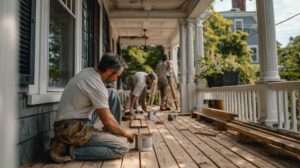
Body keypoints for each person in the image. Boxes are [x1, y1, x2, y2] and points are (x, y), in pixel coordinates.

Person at [50, 53, 133, 162]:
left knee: (112, 93)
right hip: (71, 129)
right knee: (121, 147)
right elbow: (108, 122)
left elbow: (107, 116)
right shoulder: (96, 85)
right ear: (109, 71)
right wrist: (125, 132)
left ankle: (110, 135)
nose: (117, 79)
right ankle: (68, 149)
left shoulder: (89, 72)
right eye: (117, 75)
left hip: (74, 120)